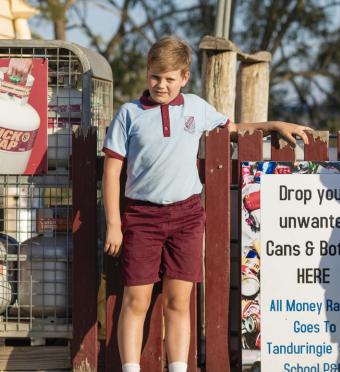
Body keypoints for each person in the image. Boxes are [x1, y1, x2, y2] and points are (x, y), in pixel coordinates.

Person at [101, 36, 311, 372]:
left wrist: (274, 124)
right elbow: (112, 172)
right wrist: (114, 223)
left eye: (170, 79)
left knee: (178, 301)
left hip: (185, 217)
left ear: (185, 77)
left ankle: (178, 368)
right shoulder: (129, 114)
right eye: (155, 76)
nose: (161, 85)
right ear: (147, 73)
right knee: (136, 300)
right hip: (141, 217)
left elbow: (234, 129)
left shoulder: (196, 108)